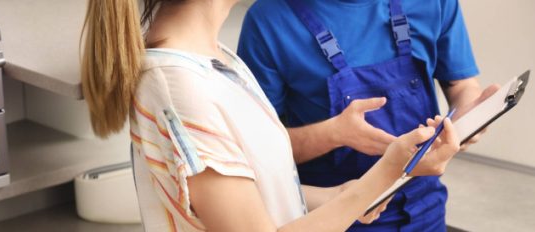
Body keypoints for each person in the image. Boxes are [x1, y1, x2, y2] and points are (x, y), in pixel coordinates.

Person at [79, 0, 462, 231]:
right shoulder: (178, 88)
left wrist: (337, 195)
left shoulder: (217, 61)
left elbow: (256, 194)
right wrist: (388, 171)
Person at [237, 0, 500, 230]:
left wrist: (467, 118)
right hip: (334, 215)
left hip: (426, 207)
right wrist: (332, 134)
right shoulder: (269, 21)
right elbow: (253, 155)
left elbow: (461, 85)